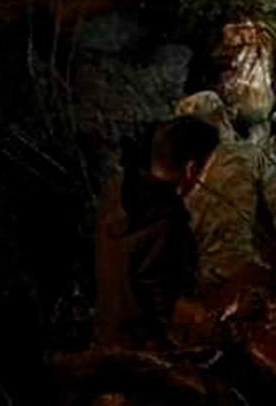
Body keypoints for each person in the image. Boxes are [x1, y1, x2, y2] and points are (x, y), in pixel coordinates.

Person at [174, 91, 276, 306]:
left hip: (204, 292)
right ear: (223, 118)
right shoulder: (252, 158)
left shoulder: (183, 174)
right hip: (255, 285)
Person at [94, 118, 220, 350]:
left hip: (108, 339)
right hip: (143, 360)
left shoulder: (116, 193)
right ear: (191, 169)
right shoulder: (168, 226)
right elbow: (168, 312)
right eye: (207, 171)